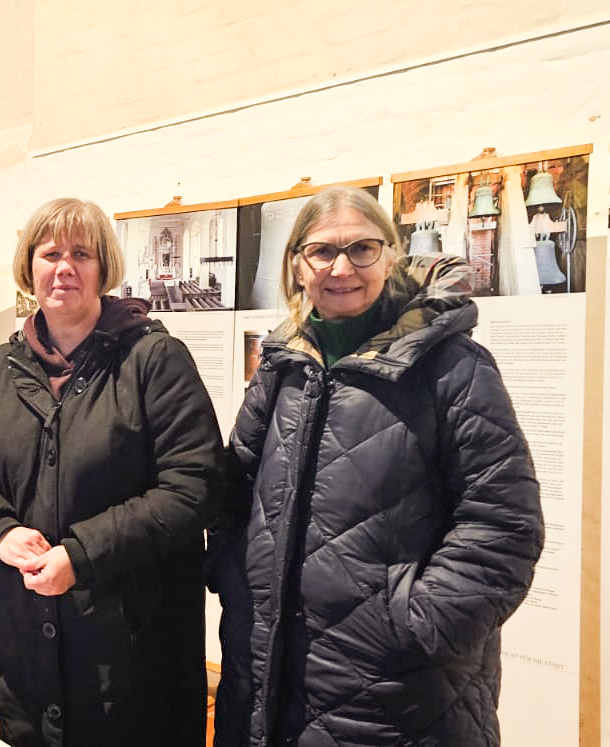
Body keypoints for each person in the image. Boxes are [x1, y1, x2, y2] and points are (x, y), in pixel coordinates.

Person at [213, 186, 544, 746]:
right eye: (322, 252)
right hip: (267, 668)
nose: (341, 268)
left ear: (389, 256)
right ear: (297, 265)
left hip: (400, 694)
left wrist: (416, 624)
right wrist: (235, 582)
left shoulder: (453, 368)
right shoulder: (283, 365)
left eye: (361, 249)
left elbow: (503, 524)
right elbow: (236, 487)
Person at [0, 198, 227, 746]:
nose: (64, 266)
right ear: (29, 267)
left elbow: (193, 487)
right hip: (26, 649)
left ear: (103, 268)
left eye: (81, 253)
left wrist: (82, 555)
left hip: (131, 649)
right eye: (50, 253)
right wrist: (0, 532)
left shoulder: (153, 360)